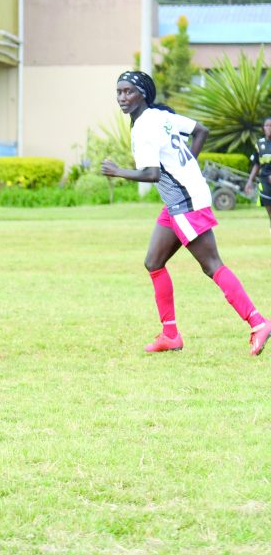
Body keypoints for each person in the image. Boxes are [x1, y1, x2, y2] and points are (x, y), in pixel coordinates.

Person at [102, 70, 270, 355]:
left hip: (185, 202)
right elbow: (201, 130)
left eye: (128, 91)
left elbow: (152, 174)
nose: (122, 97)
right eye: (119, 92)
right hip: (180, 199)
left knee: (212, 265)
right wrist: (188, 167)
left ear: (142, 93)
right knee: (153, 262)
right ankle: (170, 335)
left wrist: (118, 171)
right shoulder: (160, 116)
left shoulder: (145, 125)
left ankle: (258, 322)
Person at [244, 117, 271, 233]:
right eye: (267, 125)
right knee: (269, 207)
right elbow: (256, 164)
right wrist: (250, 181)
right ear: (263, 128)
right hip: (265, 180)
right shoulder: (259, 144)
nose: (269, 128)